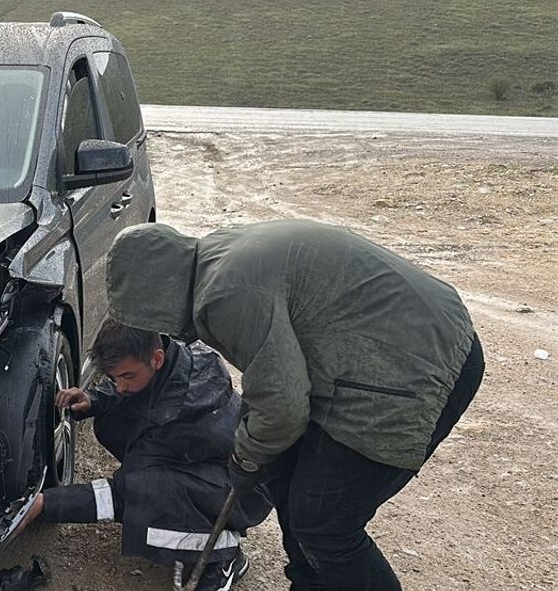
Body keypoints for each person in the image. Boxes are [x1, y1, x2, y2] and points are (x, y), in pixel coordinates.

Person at [104, 219, 484, 590]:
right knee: (286, 472)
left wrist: (246, 457)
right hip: (384, 346)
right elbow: (272, 376)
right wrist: (257, 448)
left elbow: (283, 406)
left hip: (417, 362)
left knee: (324, 523)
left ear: (158, 291)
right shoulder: (212, 260)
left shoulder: (223, 295)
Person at [20, 319, 272, 591]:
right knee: (114, 422)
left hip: (245, 493)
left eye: (127, 376)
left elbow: (125, 492)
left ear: (157, 358)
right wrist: (94, 400)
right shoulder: (176, 356)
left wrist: (46, 504)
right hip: (225, 468)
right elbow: (148, 392)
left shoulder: (174, 420)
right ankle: (194, 514)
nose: (119, 386)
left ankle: (223, 555)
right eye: (114, 378)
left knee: (148, 492)